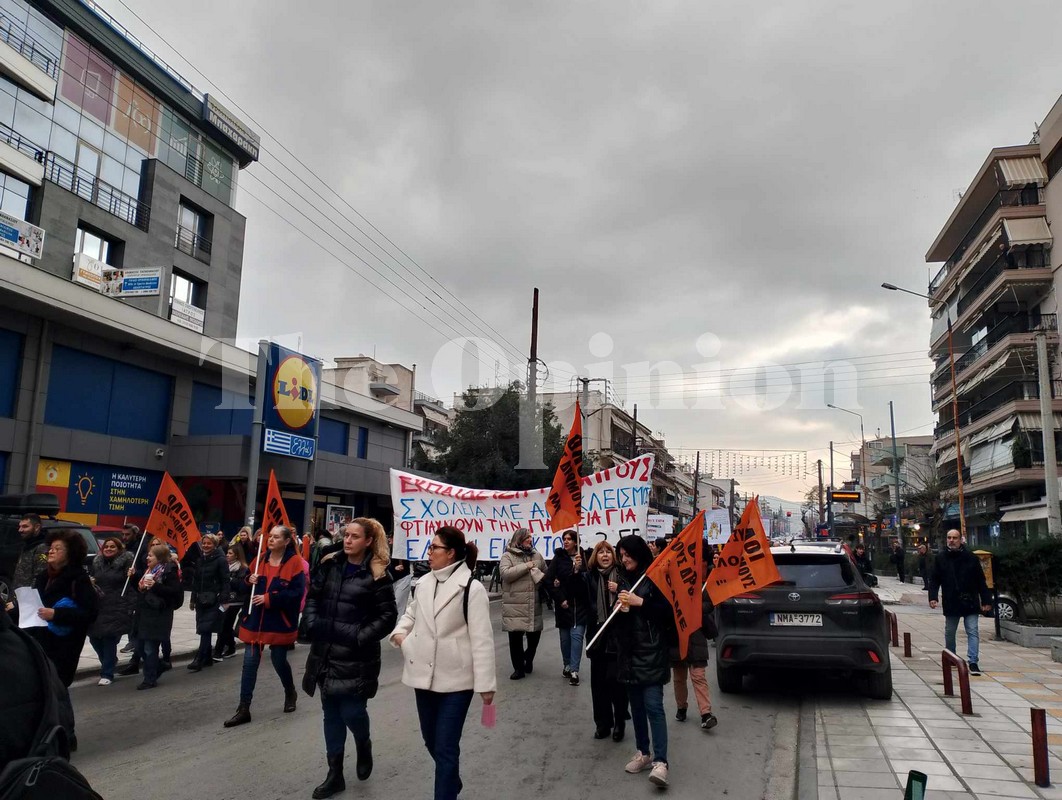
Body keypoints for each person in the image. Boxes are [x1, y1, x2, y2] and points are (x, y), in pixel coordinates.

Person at [389, 526, 496, 800]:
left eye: (434, 547)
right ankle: (451, 779)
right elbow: (410, 614)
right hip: (422, 675)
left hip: (457, 680)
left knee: (446, 746)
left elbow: (482, 639)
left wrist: (486, 685)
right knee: (431, 740)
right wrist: (401, 636)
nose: (429, 552)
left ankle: (445, 791)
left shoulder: (471, 588)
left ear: (450, 553)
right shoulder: (424, 582)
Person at [303, 519, 397, 798]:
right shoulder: (330, 564)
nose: (347, 540)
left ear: (368, 541)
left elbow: (387, 616)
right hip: (325, 652)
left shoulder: (377, 574)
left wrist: (359, 636)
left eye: (355, 536)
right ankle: (335, 774)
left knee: (353, 712)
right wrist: (311, 622)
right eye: (346, 535)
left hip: (357, 656)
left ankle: (363, 743)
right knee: (331, 714)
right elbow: (313, 596)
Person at [224, 525, 306, 728]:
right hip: (255, 621)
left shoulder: (294, 563)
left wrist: (270, 599)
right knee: (249, 663)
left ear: (286, 541)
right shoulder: (259, 559)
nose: (271, 539)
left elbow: (297, 594)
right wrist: (248, 580)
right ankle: (243, 708)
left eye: (277, 537)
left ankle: (290, 691)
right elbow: (242, 586)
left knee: (279, 660)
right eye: (271, 536)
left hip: (279, 622)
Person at [614, 535, 674, 789]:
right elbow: (618, 620)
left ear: (638, 553)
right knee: (637, 708)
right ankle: (643, 752)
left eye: (628, 554)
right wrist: (621, 610)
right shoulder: (622, 580)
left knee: (654, 707)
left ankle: (661, 762)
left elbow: (667, 612)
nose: (624, 559)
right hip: (629, 655)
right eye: (621, 555)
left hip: (652, 653)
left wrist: (640, 603)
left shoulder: (655, 577)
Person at [28, 529, 98, 749]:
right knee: (45, 688)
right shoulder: (43, 576)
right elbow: (36, 606)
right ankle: (47, 733)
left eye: (57, 549)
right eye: (51, 548)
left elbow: (90, 613)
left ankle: (67, 736)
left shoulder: (78, 579)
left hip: (65, 644)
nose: (51, 552)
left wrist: (57, 614)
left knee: (58, 687)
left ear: (70, 554)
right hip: (40, 639)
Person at [928, 529, 991, 675]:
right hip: (951, 601)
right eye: (949, 537)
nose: (951, 540)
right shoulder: (941, 558)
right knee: (950, 632)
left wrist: (986, 600)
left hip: (970, 601)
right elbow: (935, 580)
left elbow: (981, 580)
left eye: (954, 538)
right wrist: (933, 597)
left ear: (960, 540)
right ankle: (952, 657)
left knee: (972, 631)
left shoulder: (971, 558)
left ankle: (973, 662)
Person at [585, 540, 629, 741]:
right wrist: (575, 573)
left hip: (617, 637)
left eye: (608, 552)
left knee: (616, 683)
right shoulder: (589, 577)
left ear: (614, 556)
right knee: (598, 684)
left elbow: (631, 597)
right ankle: (602, 723)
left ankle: (619, 722)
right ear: (595, 556)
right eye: (600, 552)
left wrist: (618, 589)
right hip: (597, 636)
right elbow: (579, 597)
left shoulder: (622, 575)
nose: (604, 555)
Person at [130, 544, 182, 690]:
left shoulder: (169, 571)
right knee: (139, 646)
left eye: (150, 555)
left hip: (159, 615)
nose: (147, 558)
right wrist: (133, 578)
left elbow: (174, 591)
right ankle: (159, 665)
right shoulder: (148, 571)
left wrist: (155, 586)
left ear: (159, 558)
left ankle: (149, 679)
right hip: (143, 613)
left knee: (150, 648)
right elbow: (141, 591)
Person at [499, 528, 546, 680]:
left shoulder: (537, 555)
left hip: (533, 602)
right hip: (514, 604)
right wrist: (527, 566)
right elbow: (505, 574)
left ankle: (528, 658)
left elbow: (546, 573)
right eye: (527, 538)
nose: (530, 540)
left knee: (535, 636)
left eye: (531, 537)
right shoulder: (507, 556)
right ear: (518, 539)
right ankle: (518, 669)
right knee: (515, 639)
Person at [87, 536, 134, 686]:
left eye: (112, 546)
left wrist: (129, 606)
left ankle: (107, 673)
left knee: (108, 639)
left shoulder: (126, 563)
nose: (108, 549)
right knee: (94, 638)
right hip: (99, 605)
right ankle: (110, 661)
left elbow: (132, 586)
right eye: (106, 546)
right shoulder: (97, 563)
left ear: (119, 549)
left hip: (117, 606)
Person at [546, 529, 591, 686]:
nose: (566, 541)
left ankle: (574, 671)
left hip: (580, 606)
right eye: (564, 539)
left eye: (569, 539)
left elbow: (589, 580)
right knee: (565, 640)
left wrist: (578, 569)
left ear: (576, 542)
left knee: (577, 637)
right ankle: (567, 664)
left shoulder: (585, 557)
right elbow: (549, 580)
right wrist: (560, 599)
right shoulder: (559, 558)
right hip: (564, 606)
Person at [670, 589, 718, 731]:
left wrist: (694, 606)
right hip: (678, 636)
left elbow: (709, 604)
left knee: (698, 676)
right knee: (679, 677)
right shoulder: (673, 583)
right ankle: (681, 707)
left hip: (697, 636)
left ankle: (706, 713)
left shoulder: (701, 585)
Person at [189, 533, 230, 672]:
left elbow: (225, 580)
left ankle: (199, 658)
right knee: (202, 628)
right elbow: (196, 581)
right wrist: (193, 599)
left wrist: (224, 599)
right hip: (201, 600)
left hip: (214, 600)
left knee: (205, 629)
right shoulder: (200, 560)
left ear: (215, 545)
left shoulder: (221, 560)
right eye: (204, 543)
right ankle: (207, 658)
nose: (205, 546)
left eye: (209, 543)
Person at [215, 542, 250, 659]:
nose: (227, 555)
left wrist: (228, 579)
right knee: (225, 625)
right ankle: (231, 647)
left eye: (230, 553)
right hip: (224, 599)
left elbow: (241, 586)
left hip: (235, 601)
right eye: (227, 553)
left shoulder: (243, 568)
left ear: (237, 555)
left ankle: (218, 651)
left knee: (225, 624)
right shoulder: (225, 566)